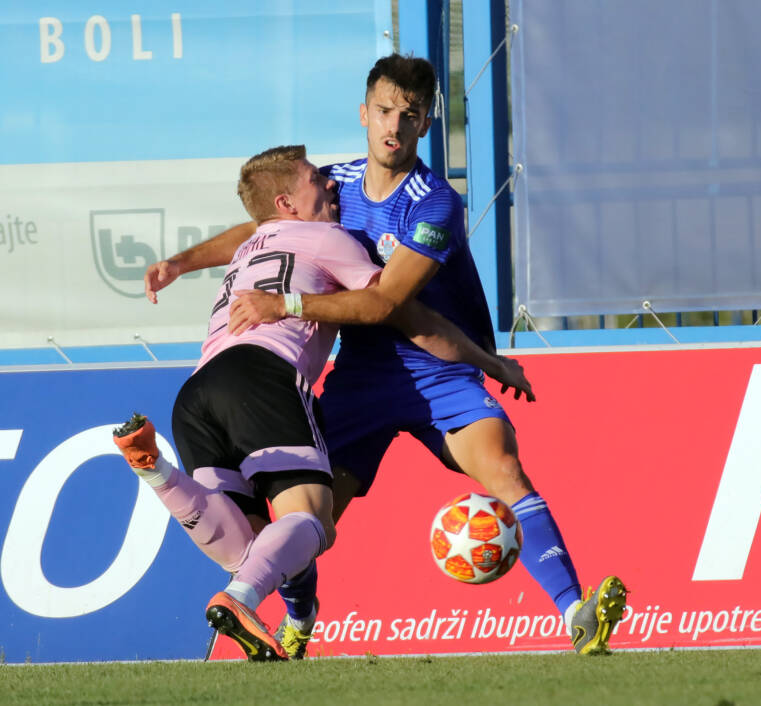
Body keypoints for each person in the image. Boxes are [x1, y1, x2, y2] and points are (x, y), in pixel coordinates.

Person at [143, 54, 627, 656]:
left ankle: (576, 614)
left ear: (426, 124)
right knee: (311, 522)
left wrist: (286, 306)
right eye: (384, 111)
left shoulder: (434, 204)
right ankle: (297, 622)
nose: (394, 125)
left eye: (410, 114)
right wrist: (182, 263)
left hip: (436, 370)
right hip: (362, 378)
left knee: (504, 470)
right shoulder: (332, 182)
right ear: (364, 113)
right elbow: (263, 226)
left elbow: (387, 302)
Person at [118, 144, 531, 661]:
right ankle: (244, 600)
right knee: (312, 521)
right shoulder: (328, 237)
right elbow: (396, 311)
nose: (332, 185)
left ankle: (158, 473)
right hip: (262, 375)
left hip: (197, 391)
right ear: (289, 203)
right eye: (317, 179)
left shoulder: (253, 246)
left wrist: (178, 264)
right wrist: (489, 362)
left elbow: (245, 231)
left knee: (248, 544)